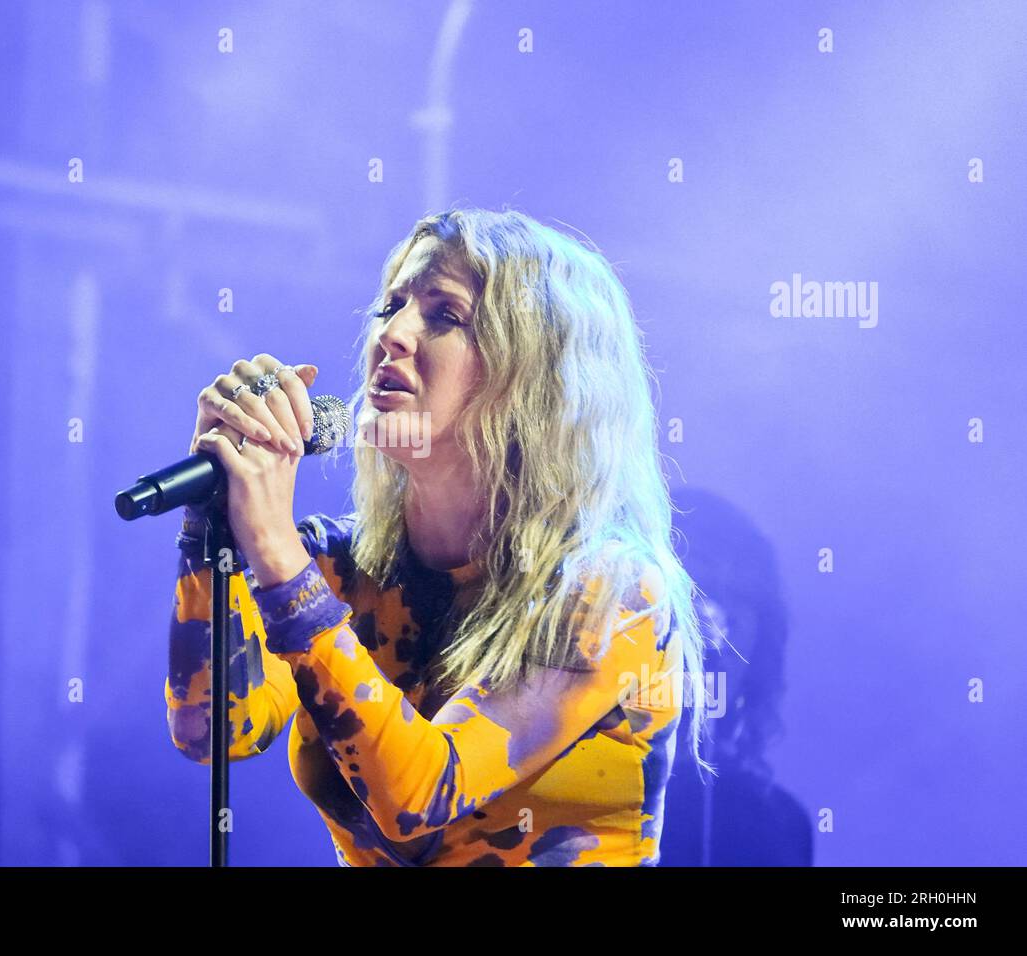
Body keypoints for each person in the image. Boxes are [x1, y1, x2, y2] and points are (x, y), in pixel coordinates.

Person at [165, 207, 709, 866]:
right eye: (388, 307)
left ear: (533, 377)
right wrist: (210, 521)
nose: (391, 334)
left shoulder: (609, 593)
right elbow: (214, 728)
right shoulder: (336, 568)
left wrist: (278, 555)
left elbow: (420, 793)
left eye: (443, 316)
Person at [659, 487, 813, 866]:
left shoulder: (778, 823)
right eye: (697, 589)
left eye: (741, 598)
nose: (719, 620)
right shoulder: (575, 799)